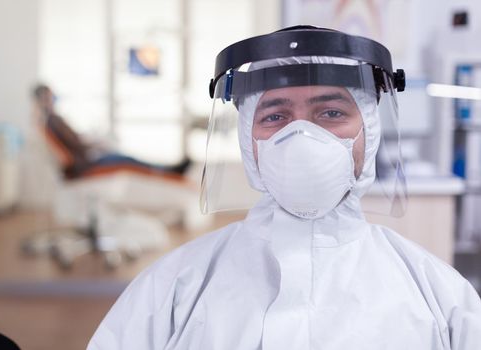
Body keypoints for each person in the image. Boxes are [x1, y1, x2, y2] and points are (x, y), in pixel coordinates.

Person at [87, 25, 481, 349]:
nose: (302, 137)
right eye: (275, 115)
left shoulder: (441, 299)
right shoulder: (174, 288)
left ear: (369, 131)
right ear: (248, 140)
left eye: (331, 112)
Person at [32, 84, 191, 179]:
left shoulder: (52, 120)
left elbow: (75, 141)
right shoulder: (51, 122)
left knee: (124, 158)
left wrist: (91, 142)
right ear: (43, 99)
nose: (53, 98)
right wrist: (91, 145)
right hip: (86, 165)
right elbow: (71, 152)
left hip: (87, 159)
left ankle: (168, 170)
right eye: (49, 96)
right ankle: (168, 172)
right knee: (125, 160)